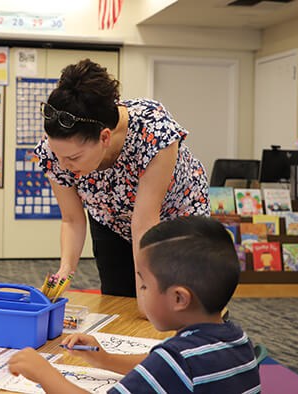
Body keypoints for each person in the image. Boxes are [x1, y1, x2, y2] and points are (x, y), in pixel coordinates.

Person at [8, 216, 260, 393]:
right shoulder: (236, 339)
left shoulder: (177, 360)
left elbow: (165, 366)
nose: (139, 293)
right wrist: (104, 359)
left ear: (178, 298)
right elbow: (155, 367)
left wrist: (44, 374)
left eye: (143, 286)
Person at [34, 59, 209, 301]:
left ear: (104, 137)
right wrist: (65, 271)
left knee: (176, 302)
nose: (63, 166)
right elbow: (73, 219)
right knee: (118, 301)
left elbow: (145, 222)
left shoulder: (153, 129)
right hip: (111, 219)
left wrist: (147, 294)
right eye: (58, 156)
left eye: (73, 157)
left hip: (174, 218)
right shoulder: (56, 149)